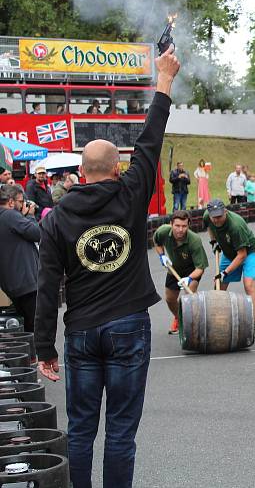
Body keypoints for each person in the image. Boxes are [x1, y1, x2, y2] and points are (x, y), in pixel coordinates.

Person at [34, 46, 180, 487]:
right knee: (120, 431)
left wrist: (45, 347)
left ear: (81, 170)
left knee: (80, 430)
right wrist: (164, 81)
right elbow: (150, 141)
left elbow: (47, 286)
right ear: (118, 169)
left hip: (79, 331)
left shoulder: (56, 217)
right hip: (127, 326)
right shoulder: (130, 193)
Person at [204, 199, 255, 339]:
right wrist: (213, 241)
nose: (217, 220)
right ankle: (216, 321)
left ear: (225, 211)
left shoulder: (236, 225)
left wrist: (225, 272)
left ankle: (254, 325)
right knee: (218, 286)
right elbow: (210, 227)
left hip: (249, 252)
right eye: (214, 217)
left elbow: (242, 255)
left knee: (249, 285)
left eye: (219, 216)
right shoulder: (208, 215)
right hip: (229, 252)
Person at [153, 210, 208, 334]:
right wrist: (162, 255)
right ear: (171, 224)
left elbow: (200, 268)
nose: (180, 229)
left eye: (184, 226)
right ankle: (179, 317)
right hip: (174, 268)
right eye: (177, 226)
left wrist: (188, 279)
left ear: (188, 225)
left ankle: (191, 325)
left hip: (192, 271)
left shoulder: (194, 240)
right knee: (170, 299)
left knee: (188, 299)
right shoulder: (163, 231)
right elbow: (157, 241)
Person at [0, 184, 39, 334]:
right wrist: (30, 216)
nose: (24, 204)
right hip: (25, 282)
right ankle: (35, 356)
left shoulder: (6, 217)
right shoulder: (10, 215)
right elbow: (37, 233)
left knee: (26, 325)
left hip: (12, 282)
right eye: (21, 201)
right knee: (34, 325)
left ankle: (30, 355)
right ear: (11, 202)